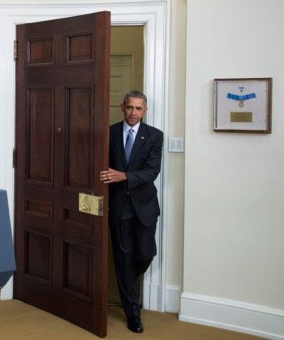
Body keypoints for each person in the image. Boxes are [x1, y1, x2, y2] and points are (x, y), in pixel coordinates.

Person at [100, 90, 163, 334]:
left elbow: (151, 172)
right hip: (118, 206)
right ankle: (132, 312)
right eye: (129, 107)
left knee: (145, 254)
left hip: (145, 206)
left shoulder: (155, 136)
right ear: (122, 107)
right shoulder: (110, 133)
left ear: (145, 110)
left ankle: (126, 282)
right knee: (123, 258)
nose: (133, 113)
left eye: (138, 108)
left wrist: (124, 175)